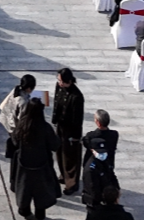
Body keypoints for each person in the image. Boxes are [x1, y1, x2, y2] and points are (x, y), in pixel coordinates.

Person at [7, 96, 60, 220]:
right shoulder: (45, 128)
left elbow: (14, 141)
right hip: (42, 166)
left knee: (24, 190)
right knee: (41, 192)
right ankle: (40, 215)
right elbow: (55, 145)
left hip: (23, 165)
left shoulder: (21, 126)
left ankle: (25, 210)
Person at [51, 68, 84, 196]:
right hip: (60, 125)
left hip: (71, 129)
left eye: (62, 81)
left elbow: (78, 119)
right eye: (58, 80)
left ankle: (72, 183)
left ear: (69, 81)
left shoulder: (77, 97)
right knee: (60, 152)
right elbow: (56, 102)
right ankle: (63, 174)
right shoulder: (59, 87)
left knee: (70, 156)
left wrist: (75, 137)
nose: (59, 83)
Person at [81, 109, 119, 208]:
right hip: (108, 162)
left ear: (97, 122)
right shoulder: (114, 134)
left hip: (93, 164)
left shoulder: (91, 136)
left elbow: (85, 143)